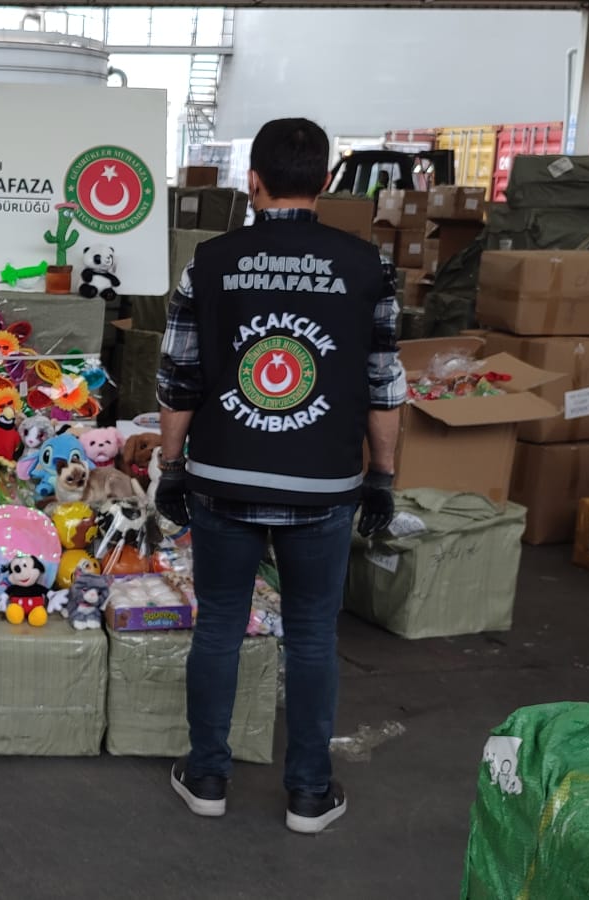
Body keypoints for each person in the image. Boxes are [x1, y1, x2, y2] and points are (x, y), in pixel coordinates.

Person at [153, 116, 405, 835]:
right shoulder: (368, 266)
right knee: (313, 634)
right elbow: (384, 382)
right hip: (323, 483)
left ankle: (207, 777)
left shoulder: (209, 262)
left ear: (252, 181)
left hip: (223, 476)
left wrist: (172, 467)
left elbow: (178, 377)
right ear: (323, 183)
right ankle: (308, 794)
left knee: (220, 625)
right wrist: (382, 476)